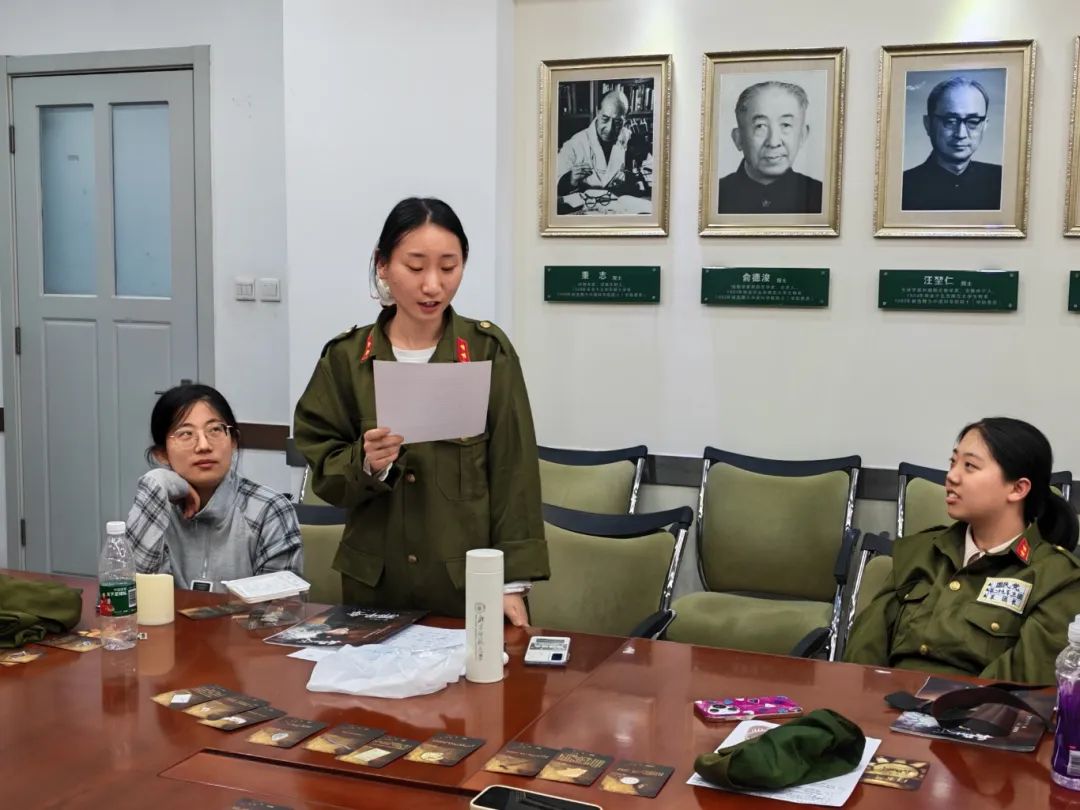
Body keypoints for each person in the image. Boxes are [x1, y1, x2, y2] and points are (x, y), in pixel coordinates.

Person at [293, 197, 549, 625]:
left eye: (449, 267)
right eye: (415, 267)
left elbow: (514, 471)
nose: (433, 285)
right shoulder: (346, 358)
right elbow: (322, 465)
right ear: (383, 265)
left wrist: (512, 582)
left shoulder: (487, 351)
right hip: (375, 584)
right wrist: (365, 464)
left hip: (466, 585)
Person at [845, 417, 1080, 684]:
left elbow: (1024, 680)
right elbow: (863, 651)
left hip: (977, 708)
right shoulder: (921, 551)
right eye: (953, 462)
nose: (952, 476)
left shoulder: (1058, 578)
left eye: (969, 466)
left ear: (1018, 488)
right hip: (884, 701)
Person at [126, 384, 303, 592]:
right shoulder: (157, 508)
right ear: (162, 454)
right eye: (186, 434)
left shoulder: (268, 511)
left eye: (215, 430)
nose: (204, 445)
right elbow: (128, 596)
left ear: (233, 441)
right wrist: (154, 484)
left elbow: (279, 606)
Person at [716, 81, 822, 214]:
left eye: (786, 125)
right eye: (760, 126)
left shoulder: (821, 197)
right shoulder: (715, 197)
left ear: (802, 135)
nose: (773, 142)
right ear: (738, 138)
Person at [901, 76, 1002, 211]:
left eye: (973, 121)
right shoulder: (901, 187)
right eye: (950, 121)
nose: (961, 134)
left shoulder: (1002, 180)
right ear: (928, 124)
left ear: (984, 126)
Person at [556, 88, 633, 196]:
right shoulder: (574, 144)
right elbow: (553, 185)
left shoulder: (631, 138)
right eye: (605, 119)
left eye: (617, 122)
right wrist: (571, 179)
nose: (609, 129)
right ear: (598, 112)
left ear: (626, 119)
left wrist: (629, 180)